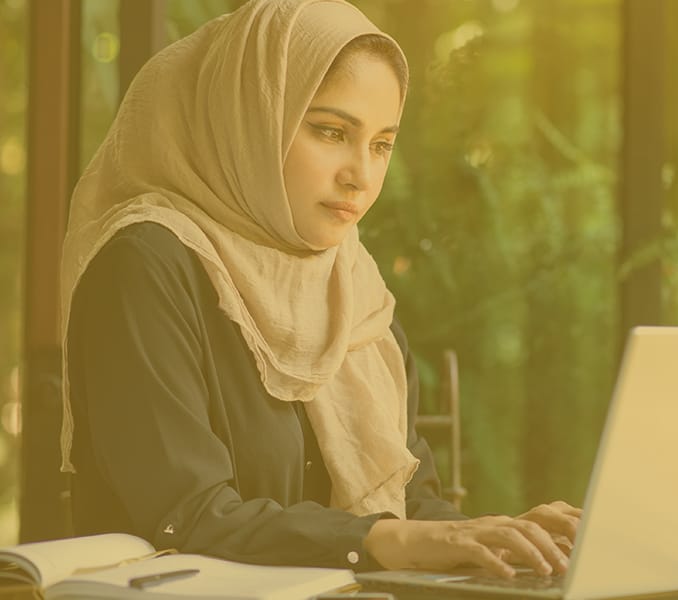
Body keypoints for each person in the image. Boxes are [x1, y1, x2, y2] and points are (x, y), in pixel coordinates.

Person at [57, 0, 577, 579]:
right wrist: (392, 539)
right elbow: (187, 516)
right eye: (331, 132)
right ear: (249, 118)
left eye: (382, 144)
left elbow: (407, 509)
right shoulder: (144, 265)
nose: (361, 174)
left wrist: (504, 540)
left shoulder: (350, 287)